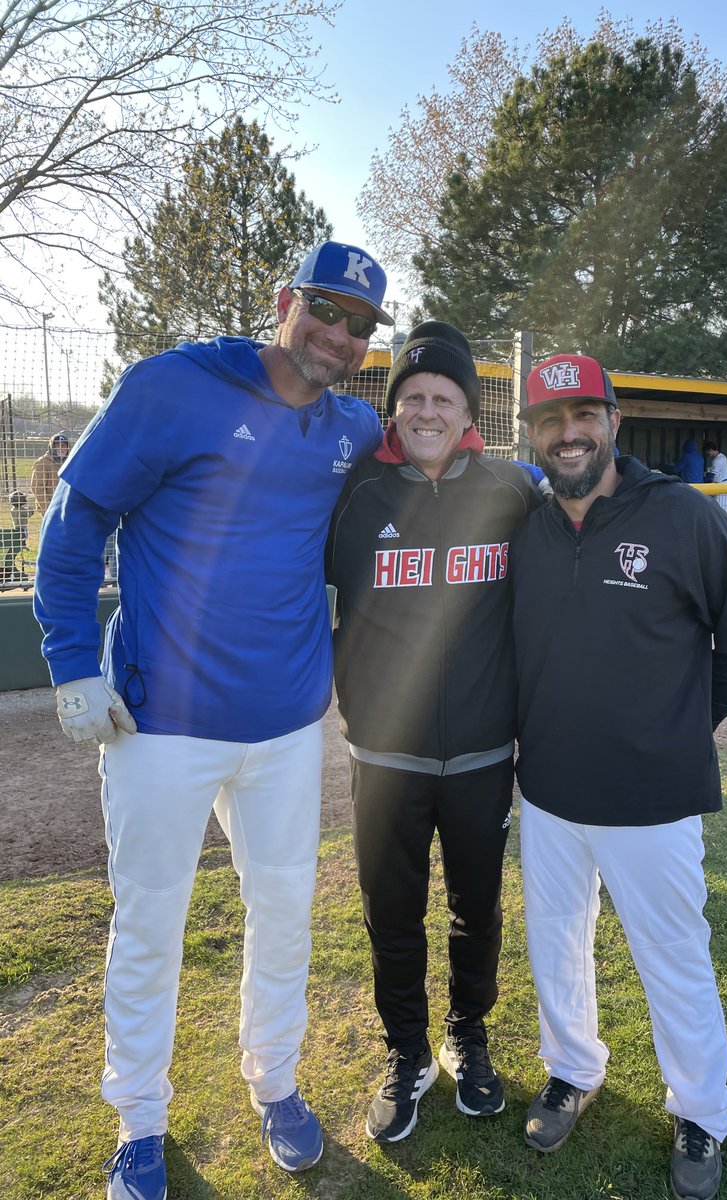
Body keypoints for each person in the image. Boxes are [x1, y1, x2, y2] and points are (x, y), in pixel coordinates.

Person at [33, 240, 394, 1200]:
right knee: (150, 921)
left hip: (284, 730)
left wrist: (489, 458)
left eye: (360, 324)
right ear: (286, 301)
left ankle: (273, 1082)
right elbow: (72, 525)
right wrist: (71, 662)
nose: (339, 333)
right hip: (161, 726)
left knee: (285, 916)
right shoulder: (172, 385)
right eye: (325, 309)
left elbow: (425, 451)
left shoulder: (351, 428)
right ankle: (139, 1125)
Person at [510, 354, 727, 1200]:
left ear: (614, 421)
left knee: (673, 954)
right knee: (555, 941)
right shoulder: (528, 524)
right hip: (548, 788)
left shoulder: (681, 516)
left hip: (652, 797)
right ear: (532, 434)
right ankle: (572, 1068)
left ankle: (700, 1111)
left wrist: (681, 725)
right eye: (550, 419)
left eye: (584, 414)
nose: (568, 433)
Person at [326, 322, 541, 1144]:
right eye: (411, 397)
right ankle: (406, 1051)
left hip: (484, 754)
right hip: (383, 756)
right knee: (392, 911)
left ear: (466, 411)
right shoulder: (353, 495)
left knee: (476, 908)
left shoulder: (510, 491)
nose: (425, 409)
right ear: (393, 410)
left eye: (442, 397)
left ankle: (468, 1037)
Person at [30, 432, 70, 514]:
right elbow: (37, 488)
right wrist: (48, 508)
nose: (61, 448)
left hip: (69, 507)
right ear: (52, 447)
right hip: (51, 508)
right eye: (57, 446)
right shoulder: (43, 462)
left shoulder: (71, 461)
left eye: (63, 446)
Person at [1, 489, 34, 583]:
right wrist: (30, 507)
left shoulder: (13, 509)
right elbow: (29, 513)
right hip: (21, 530)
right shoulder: (20, 510)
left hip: (19, 529)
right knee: (19, 545)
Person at [701, 440, 727, 510]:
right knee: (720, 508)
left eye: (707, 452)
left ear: (711, 450)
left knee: (720, 509)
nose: (707, 454)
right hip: (723, 484)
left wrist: (700, 481)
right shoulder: (721, 457)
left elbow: (710, 476)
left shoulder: (718, 460)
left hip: (723, 485)